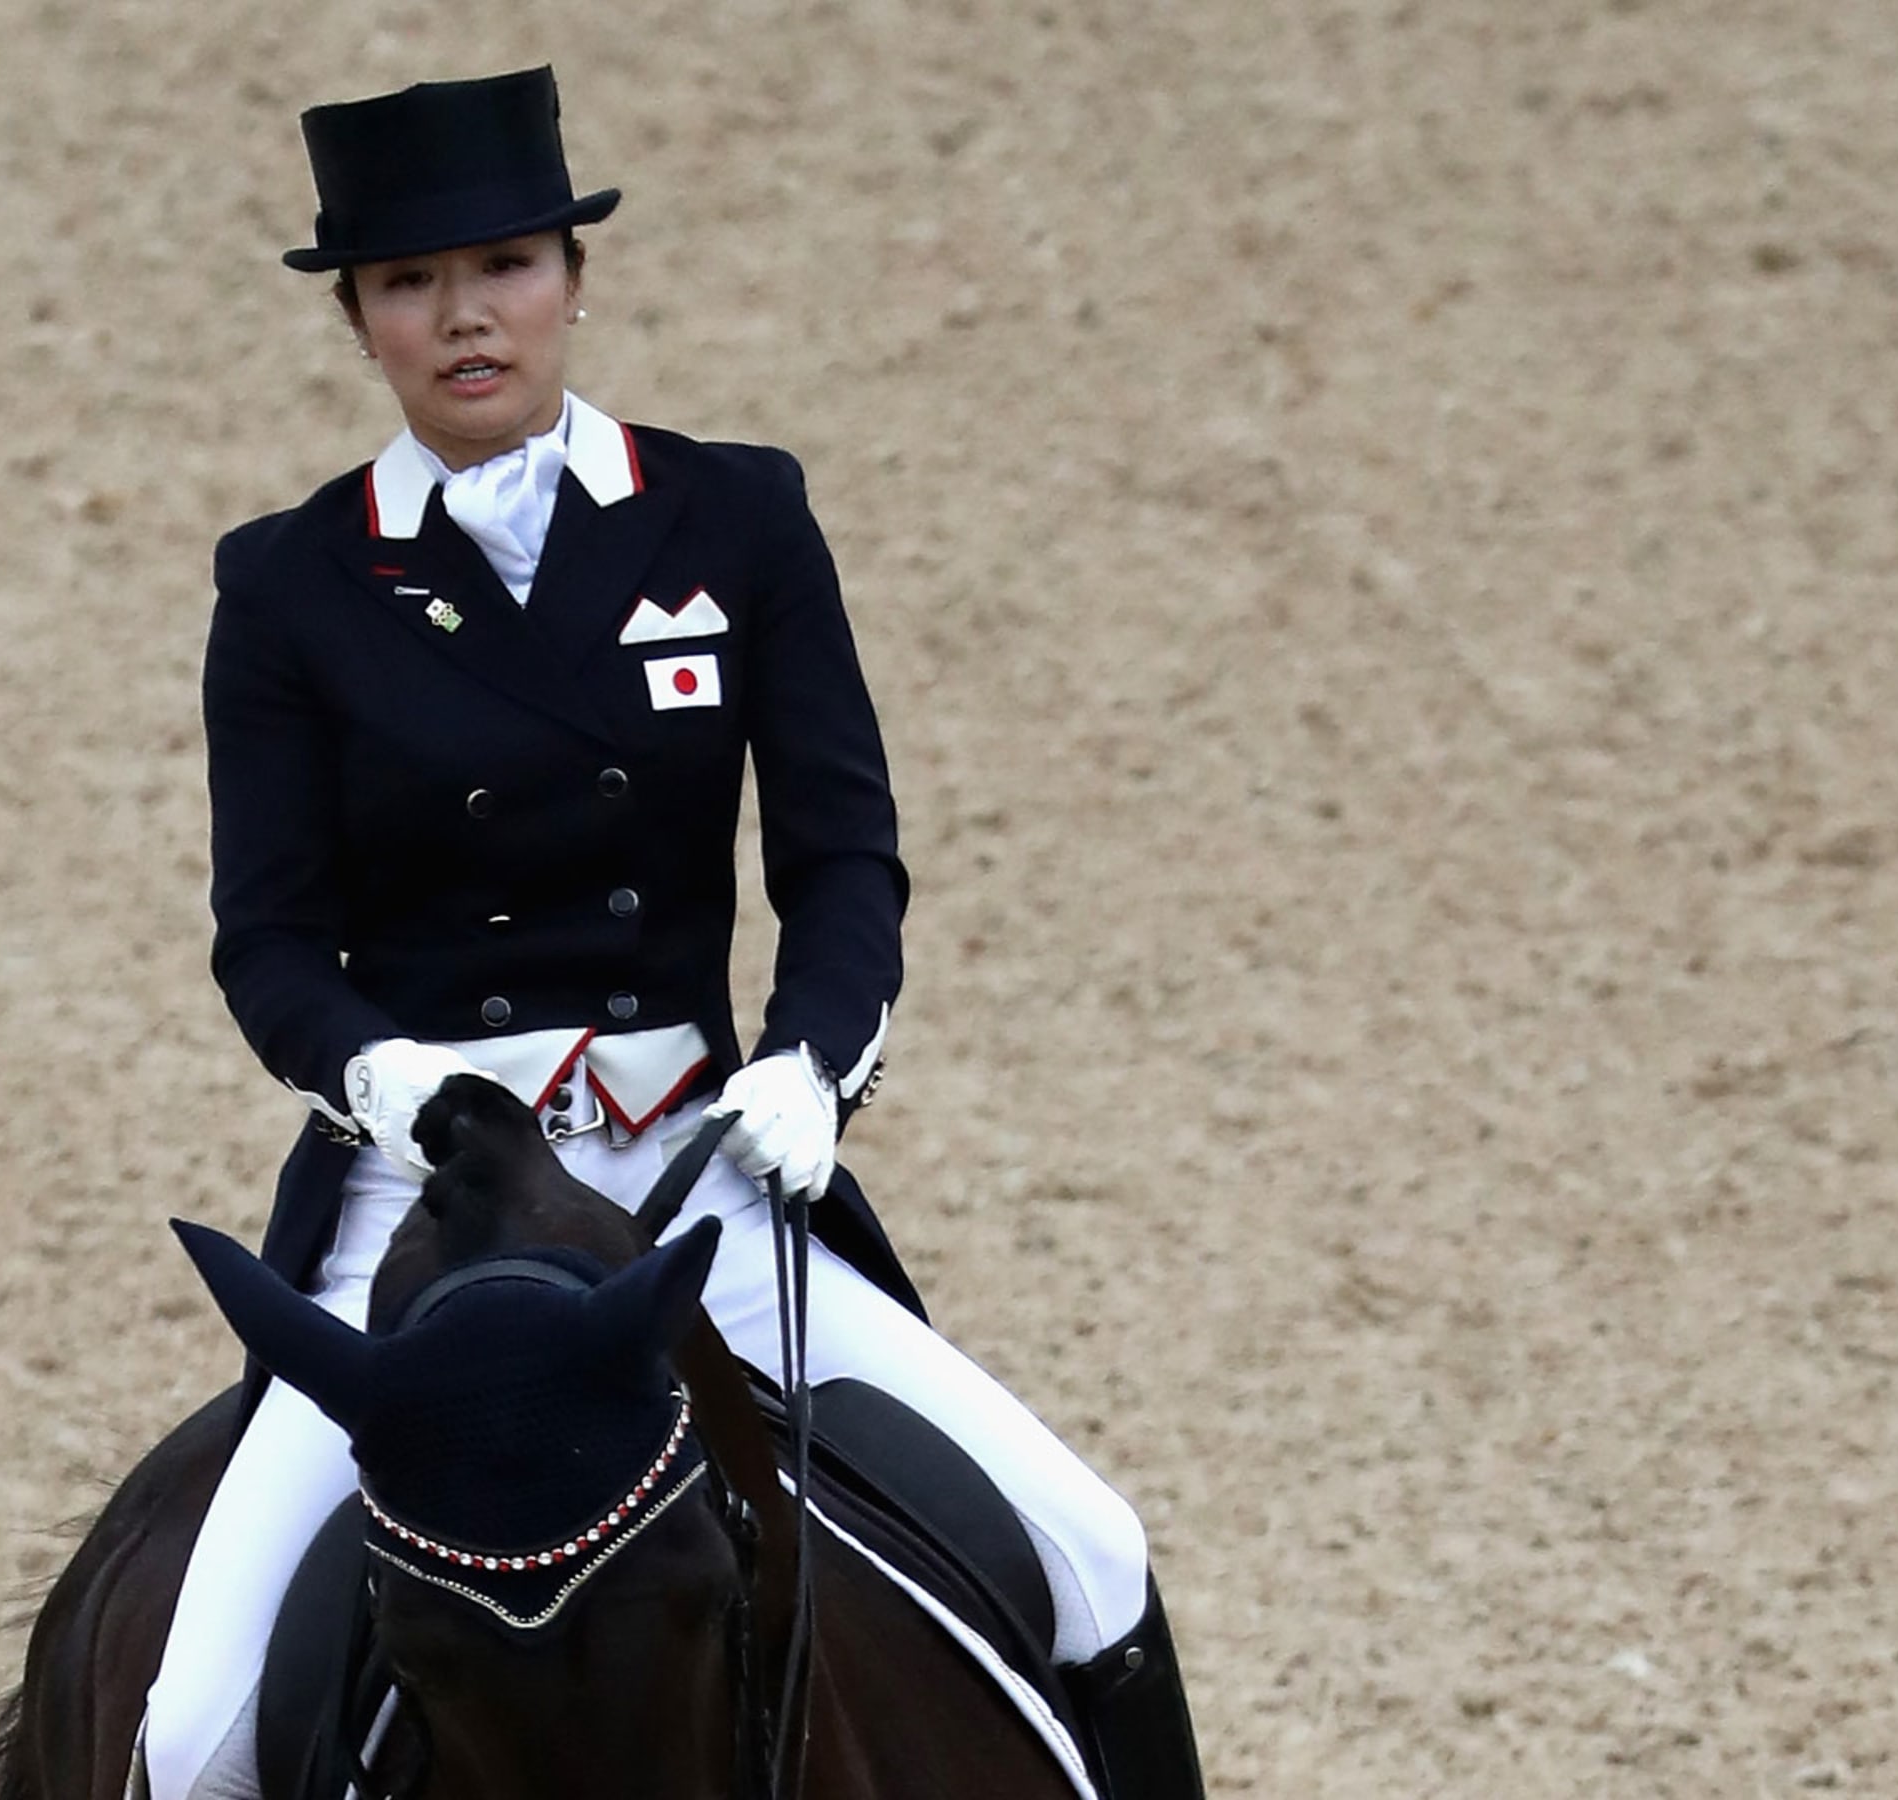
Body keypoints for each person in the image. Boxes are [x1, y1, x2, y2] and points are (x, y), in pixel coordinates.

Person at [140, 65, 1204, 1800]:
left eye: (503, 264)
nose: (464, 316)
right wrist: (390, 1084)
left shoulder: (736, 517)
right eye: (408, 283)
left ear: (572, 274)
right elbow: (266, 944)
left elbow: (847, 864)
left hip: (695, 1176)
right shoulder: (287, 582)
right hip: (425, 1200)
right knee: (191, 1734)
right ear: (357, 320)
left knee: (1090, 1547)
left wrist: (808, 1070)